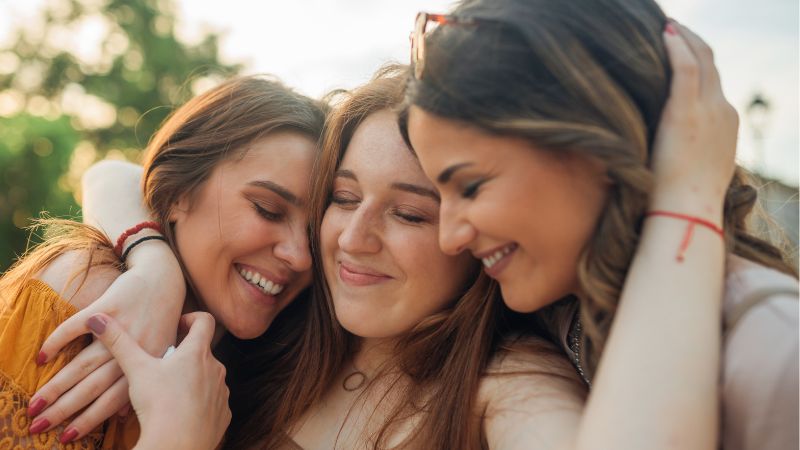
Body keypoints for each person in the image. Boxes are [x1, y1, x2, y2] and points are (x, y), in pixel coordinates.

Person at [402, 0, 799, 448]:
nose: (449, 238)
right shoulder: (560, 312)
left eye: (471, 186)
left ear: (601, 146)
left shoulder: (776, 356)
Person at [0, 74, 325, 447]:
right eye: (268, 210)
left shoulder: (261, 365)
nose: (300, 257)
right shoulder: (91, 294)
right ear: (179, 192)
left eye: (315, 233)